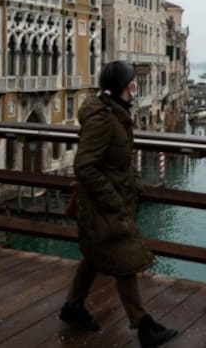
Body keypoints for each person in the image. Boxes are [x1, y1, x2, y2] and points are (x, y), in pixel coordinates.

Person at [60, 60, 178, 347]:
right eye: (132, 84)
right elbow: (85, 166)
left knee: (95, 254)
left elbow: (121, 159)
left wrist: (134, 184)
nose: (135, 88)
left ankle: (73, 306)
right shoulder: (103, 118)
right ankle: (144, 326)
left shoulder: (115, 113)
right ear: (123, 87)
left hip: (112, 200)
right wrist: (112, 198)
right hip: (104, 204)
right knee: (125, 257)